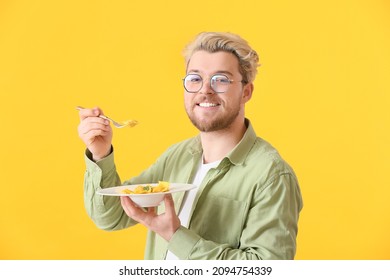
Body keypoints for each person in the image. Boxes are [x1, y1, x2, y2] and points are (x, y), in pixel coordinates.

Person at [77, 32, 303, 260]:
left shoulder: (271, 175)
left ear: (246, 92)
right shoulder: (177, 156)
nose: (205, 90)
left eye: (221, 79)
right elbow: (110, 216)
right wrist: (100, 153)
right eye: (195, 79)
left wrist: (176, 236)